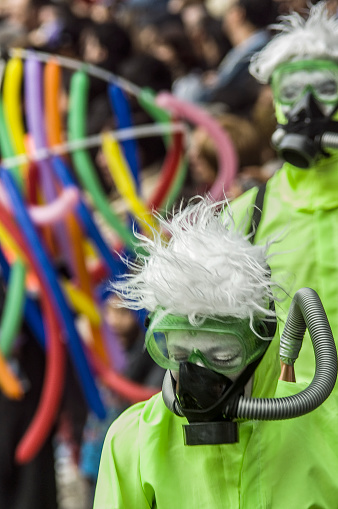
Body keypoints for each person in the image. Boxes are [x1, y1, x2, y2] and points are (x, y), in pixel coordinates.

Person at [93, 196, 338, 508]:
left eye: (222, 357)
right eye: (179, 355)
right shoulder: (133, 442)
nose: (196, 375)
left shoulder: (327, 429)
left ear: (261, 344)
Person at [230, 0, 338, 383]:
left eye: (326, 89)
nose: (307, 106)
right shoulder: (248, 214)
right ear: (275, 103)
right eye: (291, 92)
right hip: (291, 427)